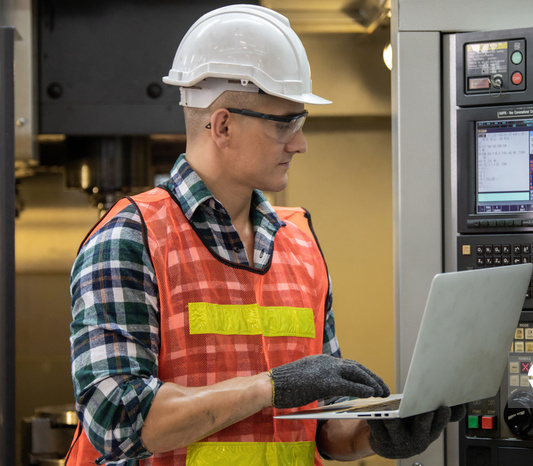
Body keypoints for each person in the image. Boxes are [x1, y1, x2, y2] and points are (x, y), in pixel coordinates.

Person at [66, 5, 463, 465]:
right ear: (223, 125)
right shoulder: (130, 240)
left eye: (300, 122)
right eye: (284, 124)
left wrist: (373, 435)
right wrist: (270, 387)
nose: (300, 143)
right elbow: (118, 420)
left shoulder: (298, 243)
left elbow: (322, 426)